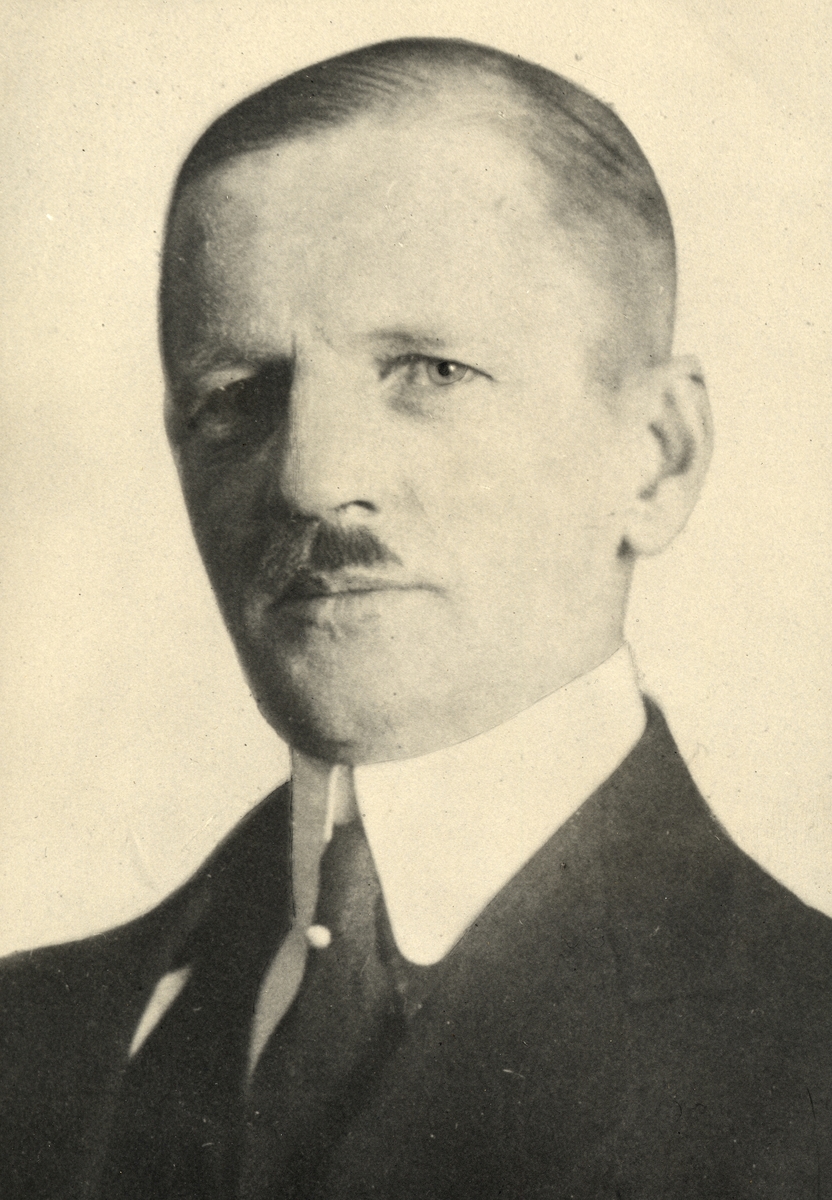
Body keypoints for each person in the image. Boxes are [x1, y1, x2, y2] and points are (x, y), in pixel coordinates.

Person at [1, 36, 830, 1200]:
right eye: (236, 397)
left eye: (430, 372)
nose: (310, 478)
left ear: (657, 456)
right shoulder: (32, 1042)